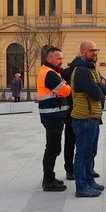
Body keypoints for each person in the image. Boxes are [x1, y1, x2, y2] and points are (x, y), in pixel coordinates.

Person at [69, 40, 106, 197]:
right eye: (91, 50)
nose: (94, 52)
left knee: (89, 152)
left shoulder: (91, 68)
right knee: (83, 154)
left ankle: (89, 181)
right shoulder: (82, 70)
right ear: (83, 52)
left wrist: (101, 86)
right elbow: (97, 93)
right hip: (84, 118)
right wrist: (100, 86)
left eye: (96, 50)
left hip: (92, 117)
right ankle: (81, 187)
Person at [35, 48, 71, 192]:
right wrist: (67, 86)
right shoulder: (49, 73)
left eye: (62, 58)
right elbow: (64, 90)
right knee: (52, 148)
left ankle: (49, 178)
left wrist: (63, 83)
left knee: (53, 147)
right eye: (58, 58)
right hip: (52, 116)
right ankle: (48, 181)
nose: (61, 61)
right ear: (49, 59)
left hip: (53, 115)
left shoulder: (51, 72)